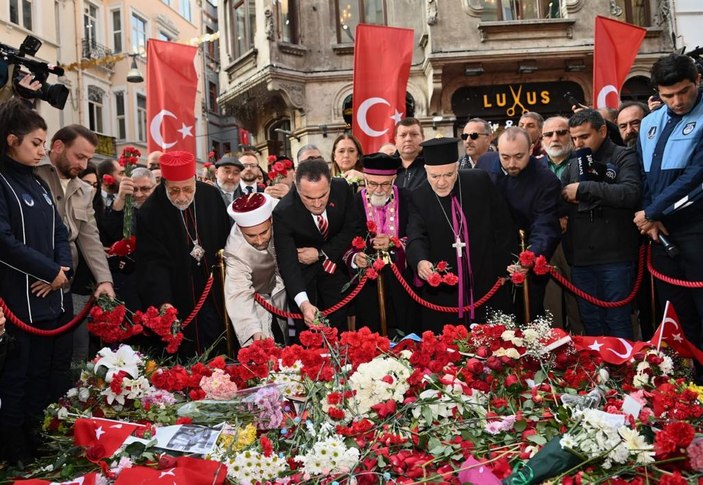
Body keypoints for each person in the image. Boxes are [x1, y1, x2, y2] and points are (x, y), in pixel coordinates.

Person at [0, 98, 73, 465]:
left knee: (46, 377)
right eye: (36, 143)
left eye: (44, 143)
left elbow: (61, 231)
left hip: (52, 299)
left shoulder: (39, 183)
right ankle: (15, 452)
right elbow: (4, 242)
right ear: (12, 140)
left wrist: (61, 271)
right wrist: (49, 271)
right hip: (19, 301)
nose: (42, 150)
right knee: (18, 379)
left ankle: (42, 438)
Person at [406, 137, 517, 331]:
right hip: (443, 289)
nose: (441, 182)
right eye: (434, 176)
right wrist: (420, 261)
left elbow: (503, 226)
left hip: (485, 278)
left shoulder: (479, 181)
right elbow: (416, 235)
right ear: (426, 171)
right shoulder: (419, 195)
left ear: (457, 167)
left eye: (448, 174)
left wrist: (503, 267)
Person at [634, 53, 703, 366]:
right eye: (668, 95)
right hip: (660, 233)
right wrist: (650, 216)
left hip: (696, 229)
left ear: (698, 81)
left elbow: (695, 174)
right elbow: (643, 176)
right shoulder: (649, 122)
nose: (677, 101)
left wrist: (652, 212)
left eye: (684, 91)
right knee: (676, 313)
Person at [136, 151, 231, 357]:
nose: (182, 197)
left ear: (195, 181)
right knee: (187, 351)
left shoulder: (210, 196)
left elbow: (226, 238)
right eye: (174, 190)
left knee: (219, 340)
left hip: (214, 287)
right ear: (164, 184)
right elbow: (152, 263)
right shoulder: (150, 212)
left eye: (188, 189)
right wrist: (164, 302)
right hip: (178, 290)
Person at [562, 109, 641, 338]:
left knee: (617, 321)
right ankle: (598, 373)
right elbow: (564, 195)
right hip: (582, 258)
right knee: (591, 322)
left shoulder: (623, 156)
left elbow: (630, 193)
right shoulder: (572, 163)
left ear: (603, 131)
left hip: (616, 256)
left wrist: (585, 189)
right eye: (574, 138)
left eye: (584, 137)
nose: (578, 143)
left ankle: (625, 373)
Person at [477, 127, 561, 320]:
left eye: (518, 156)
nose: (511, 164)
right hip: (490, 257)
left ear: (531, 150)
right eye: (505, 157)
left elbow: (545, 226)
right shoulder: (484, 163)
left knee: (527, 317)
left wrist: (528, 260)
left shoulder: (546, 181)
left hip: (524, 252)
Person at [273, 159, 362, 332]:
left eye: (323, 195)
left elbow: (351, 228)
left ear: (330, 184)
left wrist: (322, 253)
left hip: (334, 267)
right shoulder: (284, 212)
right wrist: (304, 304)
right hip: (302, 276)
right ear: (296, 189)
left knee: (338, 330)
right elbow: (287, 263)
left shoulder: (342, 188)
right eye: (308, 197)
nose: (317, 203)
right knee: (306, 335)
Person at [343, 153, 418, 336]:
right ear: (365, 179)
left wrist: (395, 243)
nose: (378, 189)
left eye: (385, 184)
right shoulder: (353, 203)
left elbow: (418, 236)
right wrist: (355, 258)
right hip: (367, 285)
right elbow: (345, 241)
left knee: (405, 331)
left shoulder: (408, 198)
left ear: (394, 179)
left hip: (402, 281)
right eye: (372, 184)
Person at [224, 193, 287, 346]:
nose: (259, 241)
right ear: (240, 228)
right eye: (251, 236)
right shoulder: (235, 250)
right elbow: (238, 293)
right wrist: (253, 331)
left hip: (289, 287)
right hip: (259, 298)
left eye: (264, 232)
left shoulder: (283, 216)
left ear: (271, 220)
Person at [540, 116, 582, 332]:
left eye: (561, 132)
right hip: (547, 246)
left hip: (579, 243)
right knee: (551, 307)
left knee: (580, 306)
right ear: (541, 139)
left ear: (571, 136)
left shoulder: (583, 163)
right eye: (548, 134)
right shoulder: (534, 167)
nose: (554, 138)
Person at [394, 118, 427, 190]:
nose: (408, 139)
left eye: (414, 134)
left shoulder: (432, 164)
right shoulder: (387, 166)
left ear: (423, 138)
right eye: (403, 135)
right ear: (395, 140)